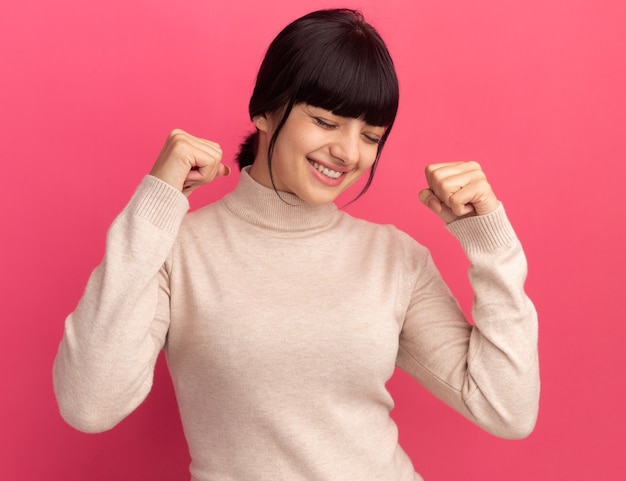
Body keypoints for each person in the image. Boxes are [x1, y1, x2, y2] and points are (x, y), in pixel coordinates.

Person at [53, 8, 539, 481]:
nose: (348, 153)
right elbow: (88, 403)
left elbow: (506, 409)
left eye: (370, 136)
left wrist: (488, 241)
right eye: (326, 122)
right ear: (265, 110)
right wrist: (153, 208)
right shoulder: (177, 250)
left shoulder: (395, 258)